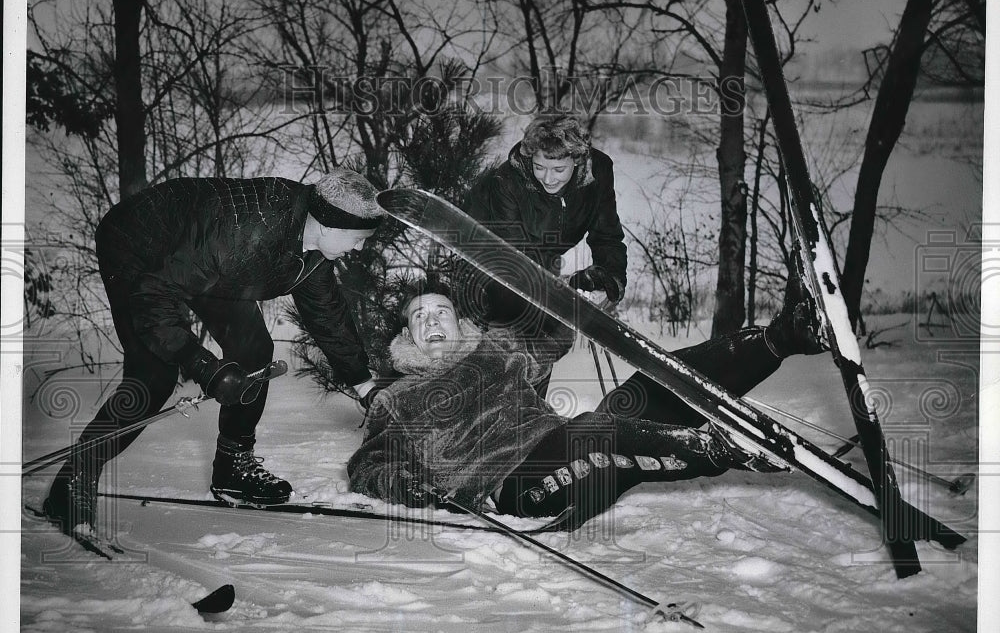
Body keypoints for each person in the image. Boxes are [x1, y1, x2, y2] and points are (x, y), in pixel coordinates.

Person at [44, 168, 385, 539]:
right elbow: (152, 298)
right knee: (153, 377)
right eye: (359, 238)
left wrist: (365, 386)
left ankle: (232, 469)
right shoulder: (247, 235)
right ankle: (74, 479)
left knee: (254, 350)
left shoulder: (312, 248)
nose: (361, 247)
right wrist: (201, 364)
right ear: (330, 224)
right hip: (141, 243)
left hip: (201, 254)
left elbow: (328, 317)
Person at [347, 282, 820, 528]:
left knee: (652, 386)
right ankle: (720, 448)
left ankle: (782, 337)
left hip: (567, 445)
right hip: (517, 487)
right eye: (419, 317)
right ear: (405, 333)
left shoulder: (494, 349)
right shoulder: (396, 399)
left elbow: (552, 338)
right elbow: (370, 467)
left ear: (458, 320)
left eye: (441, 312)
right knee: (596, 432)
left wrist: (576, 302)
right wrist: (417, 490)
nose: (432, 322)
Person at [461, 113, 627, 391]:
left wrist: (606, 281)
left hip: (542, 256)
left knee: (543, 342)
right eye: (539, 167)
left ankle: (532, 411)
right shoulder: (508, 181)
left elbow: (607, 236)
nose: (547, 178)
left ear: (577, 160)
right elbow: (517, 257)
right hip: (489, 252)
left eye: (558, 170)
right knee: (512, 330)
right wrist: (560, 295)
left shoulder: (598, 172)